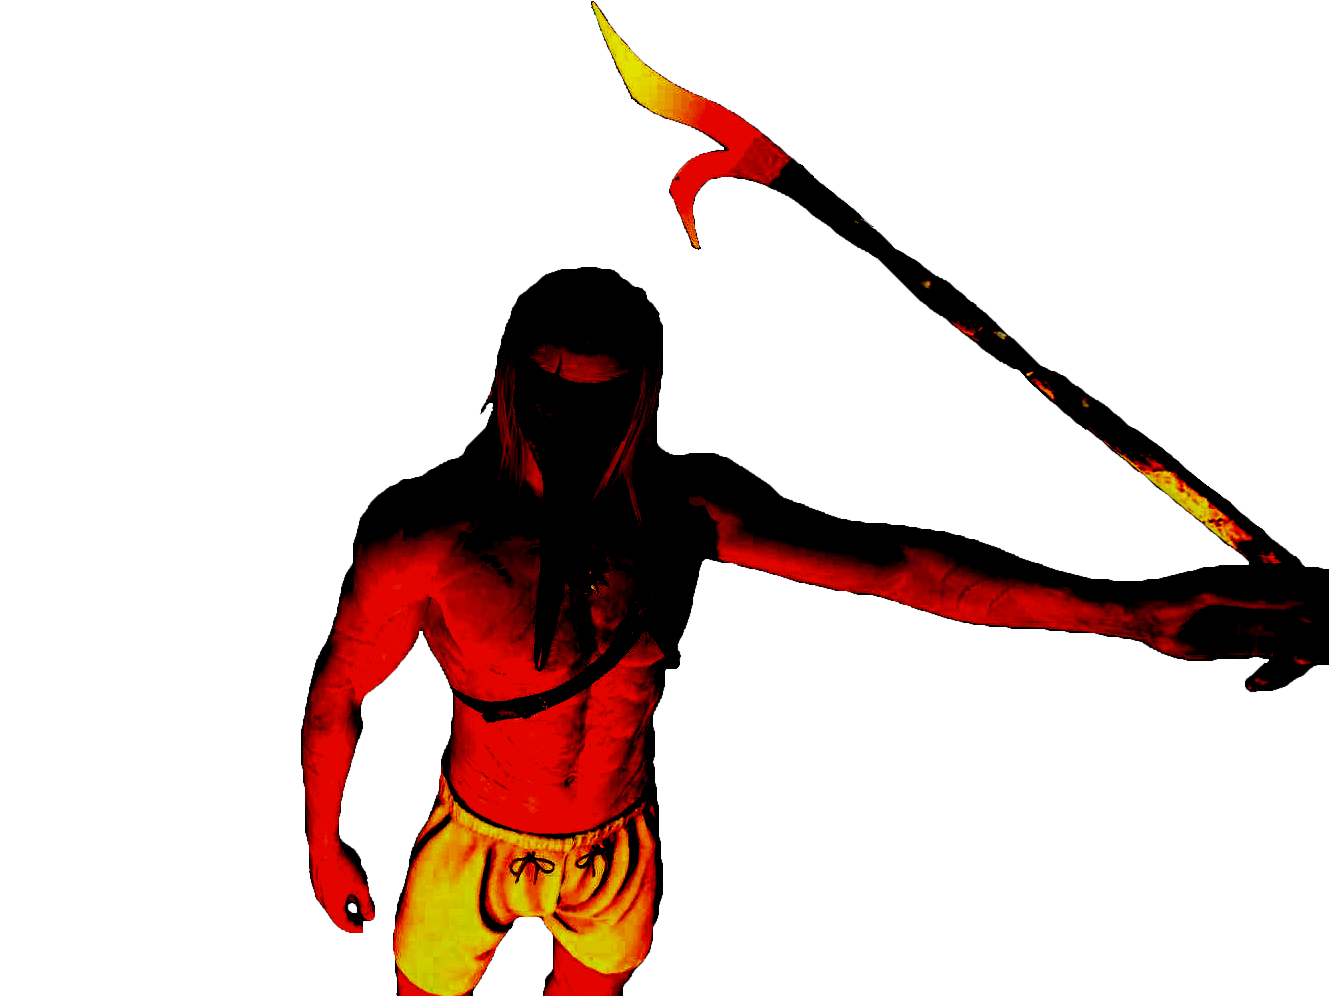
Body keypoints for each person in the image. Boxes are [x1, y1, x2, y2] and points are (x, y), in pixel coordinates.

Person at [303, 335, 1313, 996]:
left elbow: (914, 575)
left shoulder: (681, 530)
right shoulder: (430, 548)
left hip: (613, 838)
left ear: (639, 403)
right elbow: (337, 695)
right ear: (509, 395)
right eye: (552, 400)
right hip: (473, 832)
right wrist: (324, 847)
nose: (573, 429)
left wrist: (1135, 620)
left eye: (598, 405)